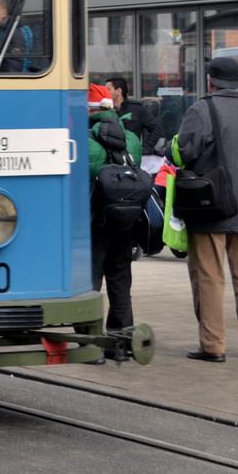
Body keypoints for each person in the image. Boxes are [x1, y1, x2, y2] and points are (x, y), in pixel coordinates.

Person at [166, 56, 238, 362]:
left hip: (210, 208)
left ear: (210, 80)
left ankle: (212, 345)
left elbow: (183, 153)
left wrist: (174, 144)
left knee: (209, 277)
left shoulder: (201, 109)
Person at [88, 85, 142, 348]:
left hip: (94, 220)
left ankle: (90, 341)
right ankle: (121, 337)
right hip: (125, 220)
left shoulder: (83, 139)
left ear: (91, 110)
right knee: (120, 279)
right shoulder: (131, 139)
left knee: (91, 281)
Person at [107, 77, 163, 155]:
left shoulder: (137, 109)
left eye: (108, 89)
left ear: (118, 91)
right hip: (111, 156)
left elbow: (156, 128)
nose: (105, 92)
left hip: (132, 157)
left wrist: (145, 148)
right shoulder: (105, 110)